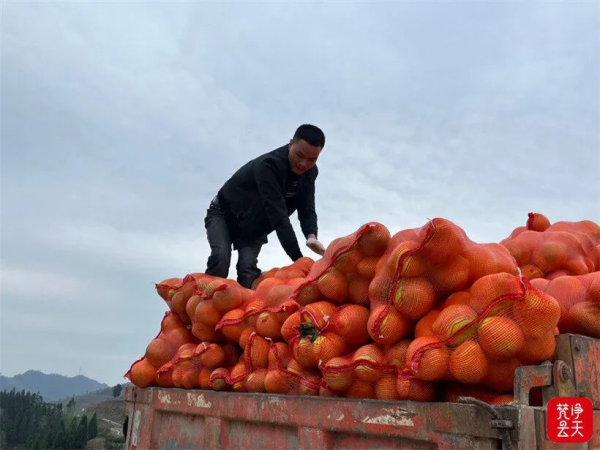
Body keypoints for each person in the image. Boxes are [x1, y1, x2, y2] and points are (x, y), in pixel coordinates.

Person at [204, 124, 327, 288]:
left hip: (255, 224)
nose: (304, 164)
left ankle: (245, 310)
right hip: (224, 213)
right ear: (291, 144)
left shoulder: (310, 173)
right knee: (221, 257)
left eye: (312, 159)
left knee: (247, 269)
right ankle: (206, 305)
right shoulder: (268, 166)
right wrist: (300, 262)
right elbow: (279, 217)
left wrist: (311, 236)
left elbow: (307, 208)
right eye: (300, 155)